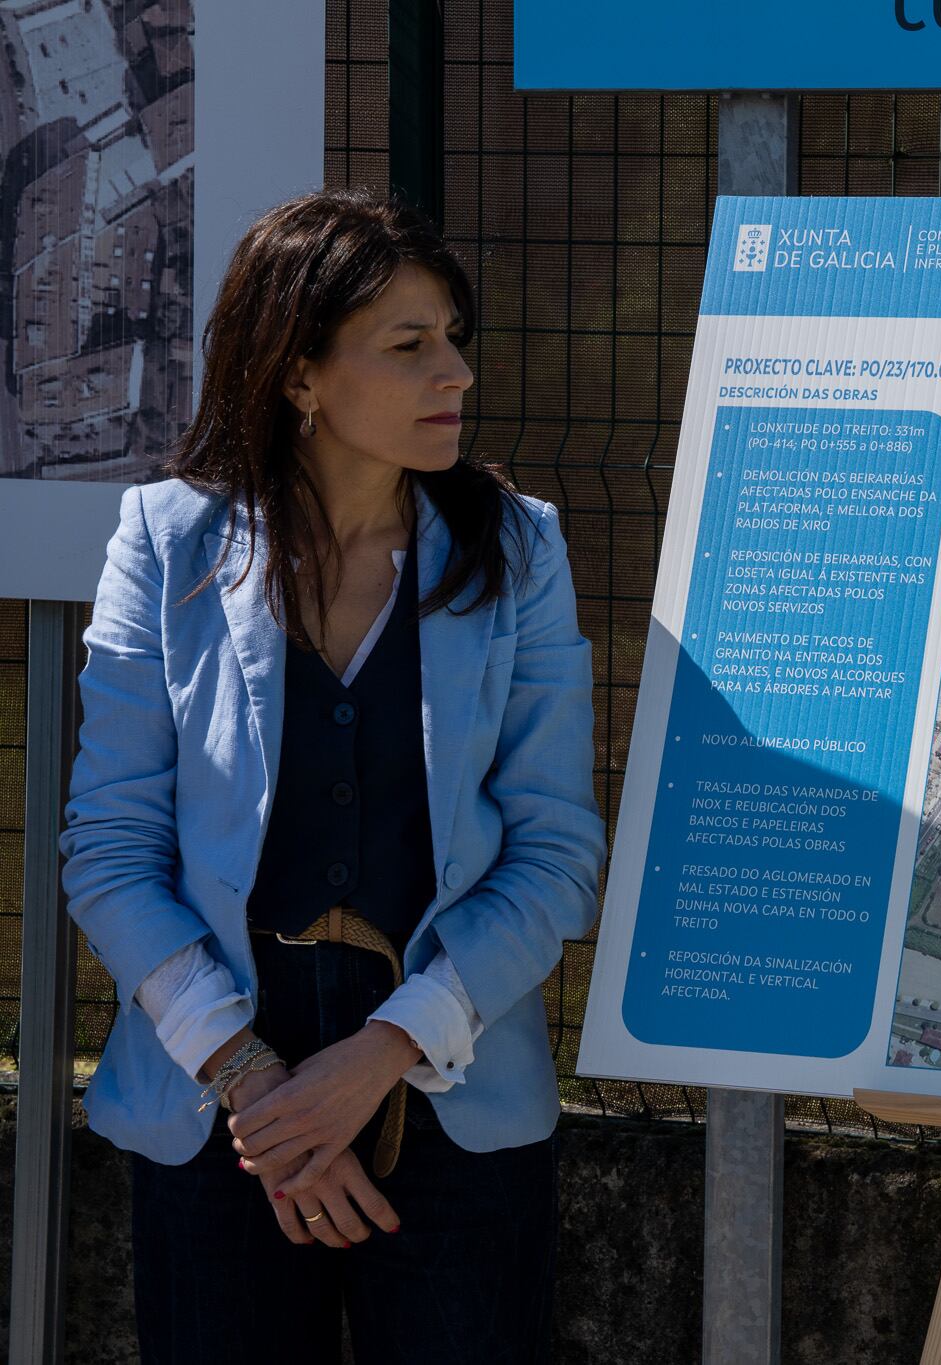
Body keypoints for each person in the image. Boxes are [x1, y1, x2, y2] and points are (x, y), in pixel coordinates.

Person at [58, 189, 606, 1364]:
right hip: (219, 1116)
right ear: (299, 373)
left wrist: (385, 1051)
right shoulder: (165, 544)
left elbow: (556, 851)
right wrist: (258, 1084)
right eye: (408, 347)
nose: (452, 372)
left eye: (454, 338)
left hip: (452, 1104)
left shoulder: (520, 548)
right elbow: (107, 850)